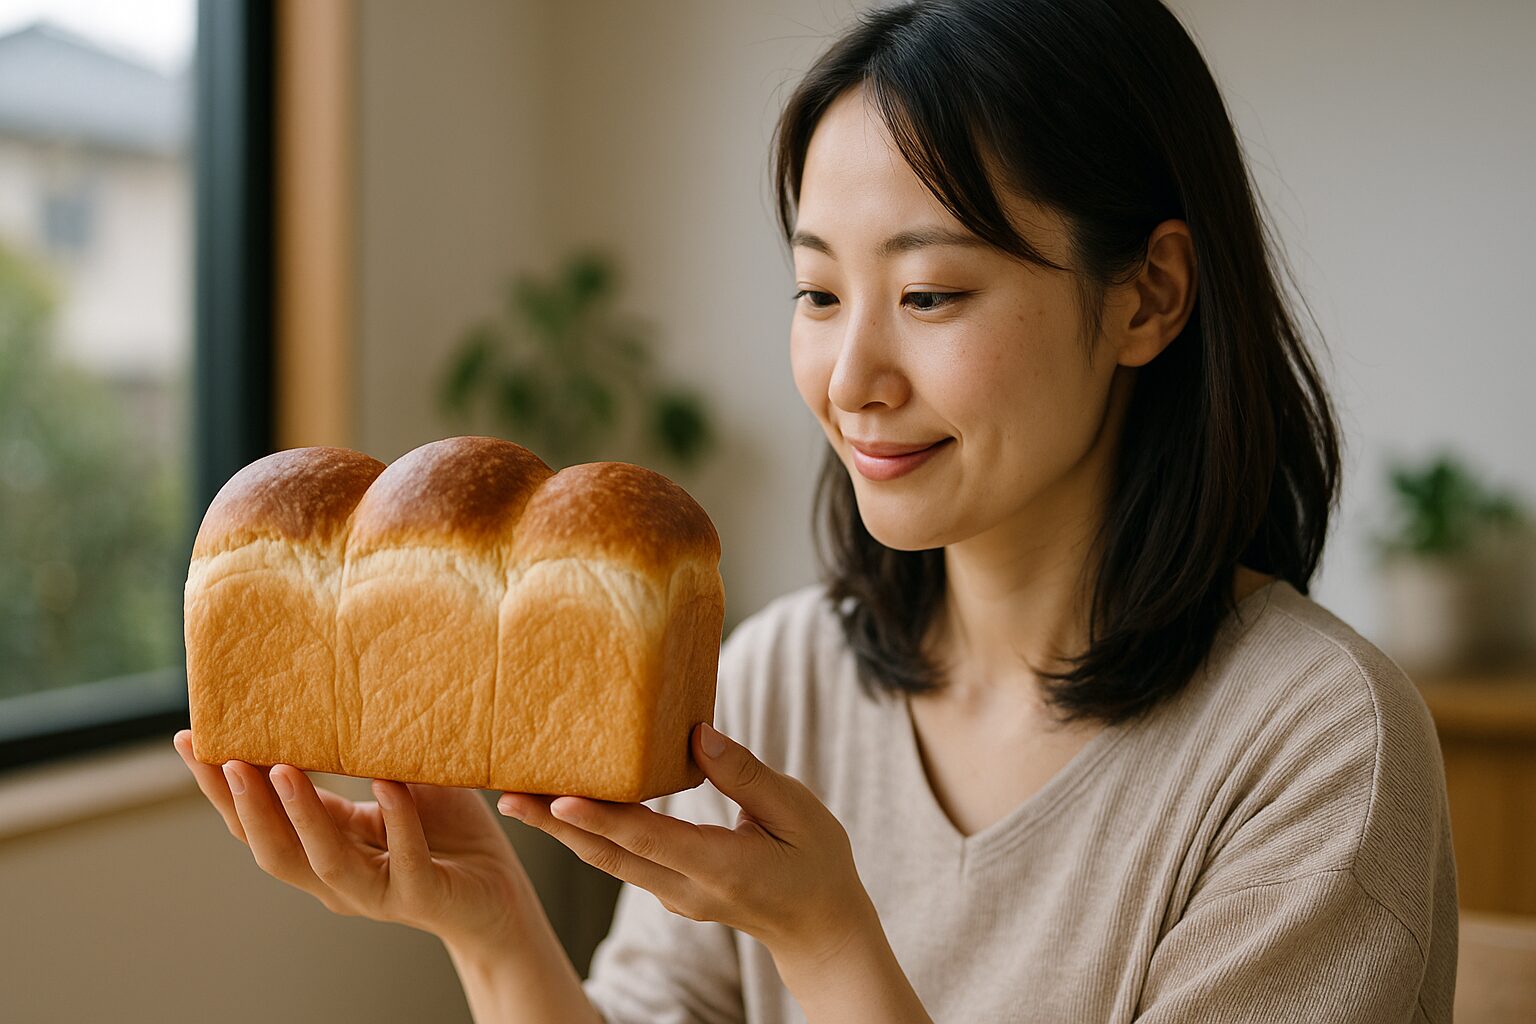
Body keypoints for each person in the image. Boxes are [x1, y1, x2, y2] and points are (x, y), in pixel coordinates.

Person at [174, 0, 1457, 1020]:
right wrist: (488, 923)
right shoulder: (774, 681)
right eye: (819, 294)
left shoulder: (1318, 747)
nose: (851, 382)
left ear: (1147, 297)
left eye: (934, 293)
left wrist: (827, 939)